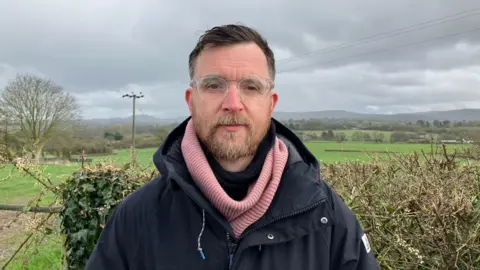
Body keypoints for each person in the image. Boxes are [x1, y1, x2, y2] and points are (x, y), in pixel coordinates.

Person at [86, 24, 380, 269]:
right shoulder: (138, 217)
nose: (232, 104)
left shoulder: (324, 214)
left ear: (270, 104)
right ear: (191, 100)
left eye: (251, 87)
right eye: (214, 85)